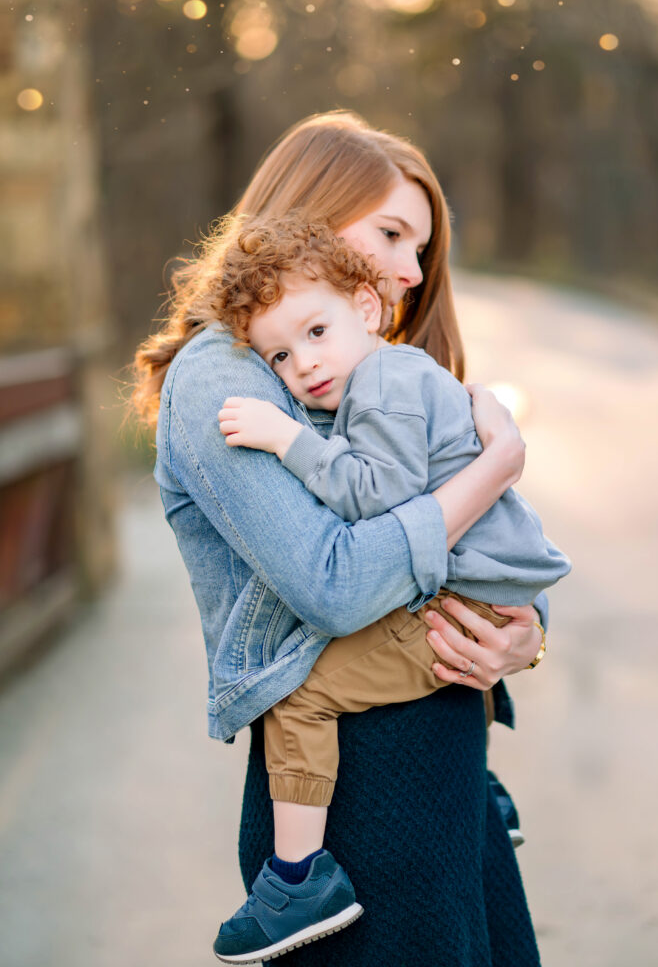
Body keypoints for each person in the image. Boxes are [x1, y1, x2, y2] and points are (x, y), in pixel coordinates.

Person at [133, 111, 548, 966]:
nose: (409, 272)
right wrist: (493, 467)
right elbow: (333, 586)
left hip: (440, 756)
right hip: (353, 786)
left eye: (420, 251)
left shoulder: (363, 367)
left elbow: (477, 541)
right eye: (391, 234)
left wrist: (525, 634)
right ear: (309, 215)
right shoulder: (228, 371)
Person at [209, 215, 569, 962]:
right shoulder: (386, 375)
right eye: (278, 353)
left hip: (459, 599)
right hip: (467, 589)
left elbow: (381, 497)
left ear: (365, 311)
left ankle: (297, 878)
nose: (301, 364)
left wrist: (286, 437)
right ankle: (477, 794)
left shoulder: (384, 381)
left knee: (298, 691)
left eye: (314, 333)